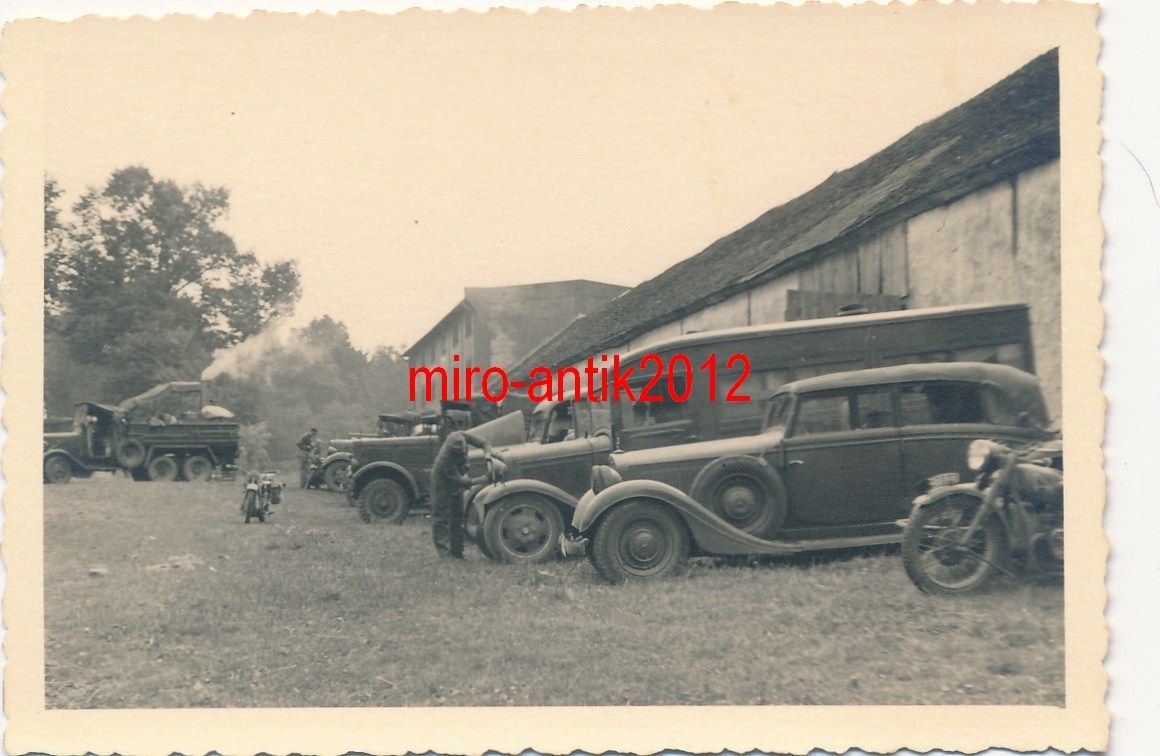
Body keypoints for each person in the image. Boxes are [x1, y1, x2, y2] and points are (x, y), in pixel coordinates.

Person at [430, 430, 497, 559]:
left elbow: (485, 443)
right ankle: (444, 553)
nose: (462, 455)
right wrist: (484, 479)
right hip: (442, 481)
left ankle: (458, 551)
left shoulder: (463, 436)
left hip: (458, 473)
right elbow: (465, 483)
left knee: (458, 515)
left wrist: (488, 456)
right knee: (441, 516)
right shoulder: (444, 462)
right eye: (458, 454)